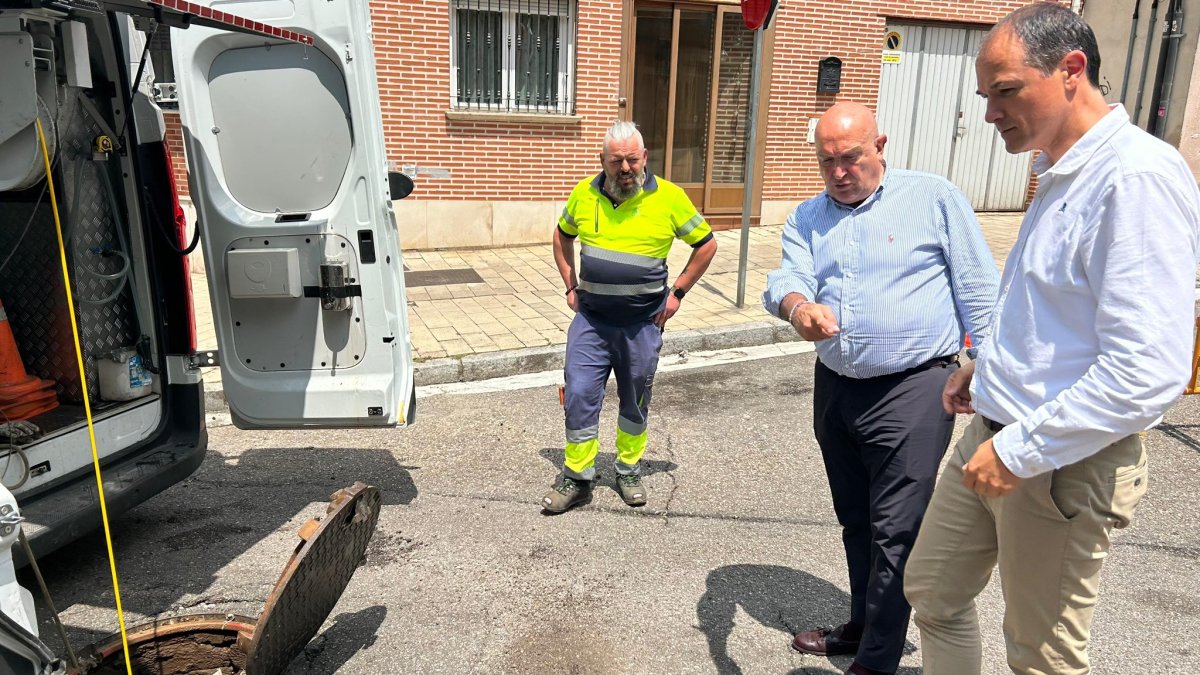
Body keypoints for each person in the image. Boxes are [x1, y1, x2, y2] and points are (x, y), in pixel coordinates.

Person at [903, 5, 1200, 674]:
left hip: (1061, 453)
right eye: (986, 97)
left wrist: (1018, 452)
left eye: (1005, 91)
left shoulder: (1134, 178)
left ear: (1072, 71)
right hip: (998, 428)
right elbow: (1051, 306)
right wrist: (982, 365)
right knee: (935, 591)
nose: (990, 114)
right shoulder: (1063, 166)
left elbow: (1149, 368)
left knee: (1041, 655)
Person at [763, 102, 999, 675]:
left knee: (896, 531)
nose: (840, 172)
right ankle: (864, 625)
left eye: (852, 158)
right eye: (828, 162)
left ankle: (876, 661)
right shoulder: (808, 216)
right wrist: (798, 309)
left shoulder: (935, 198)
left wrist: (988, 373)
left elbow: (979, 291)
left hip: (915, 387)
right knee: (856, 519)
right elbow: (788, 278)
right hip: (838, 386)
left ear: (880, 145)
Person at [542, 120, 717, 514]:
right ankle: (577, 476)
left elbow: (706, 244)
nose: (625, 168)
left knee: (634, 400)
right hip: (592, 322)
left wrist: (678, 293)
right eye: (616, 160)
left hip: (641, 324)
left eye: (632, 160)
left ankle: (628, 469)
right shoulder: (584, 195)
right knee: (581, 395)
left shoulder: (669, 198)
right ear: (601, 160)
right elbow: (561, 235)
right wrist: (571, 284)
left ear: (644, 159)